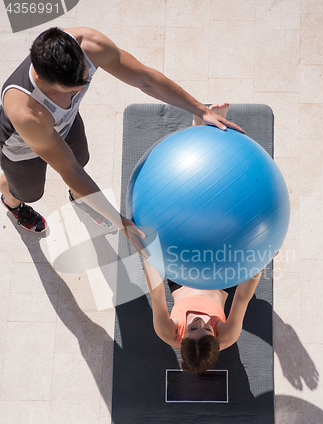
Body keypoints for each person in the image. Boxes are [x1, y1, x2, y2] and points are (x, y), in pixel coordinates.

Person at [0, 27, 244, 257]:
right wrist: (121, 223)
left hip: (65, 124)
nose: (76, 94)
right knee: (29, 192)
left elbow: (145, 79)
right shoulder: (27, 111)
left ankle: (80, 198)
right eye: (69, 90)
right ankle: (12, 202)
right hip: (21, 147)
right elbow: (67, 169)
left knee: (81, 160)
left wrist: (202, 110)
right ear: (42, 80)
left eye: (81, 85)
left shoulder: (89, 44)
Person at [142, 103, 262, 374]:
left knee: (189, 212)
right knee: (223, 216)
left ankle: (199, 130)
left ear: (181, 338)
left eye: (192, 328)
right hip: (223, 277)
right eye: (206, 327)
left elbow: (157, 291)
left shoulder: (166, 331)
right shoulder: (228, 336)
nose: (199, 321)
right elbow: (242, 297)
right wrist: (258, 260)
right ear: (215, 338)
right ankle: (213, 141)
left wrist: (148, 254)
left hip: (181, 273)